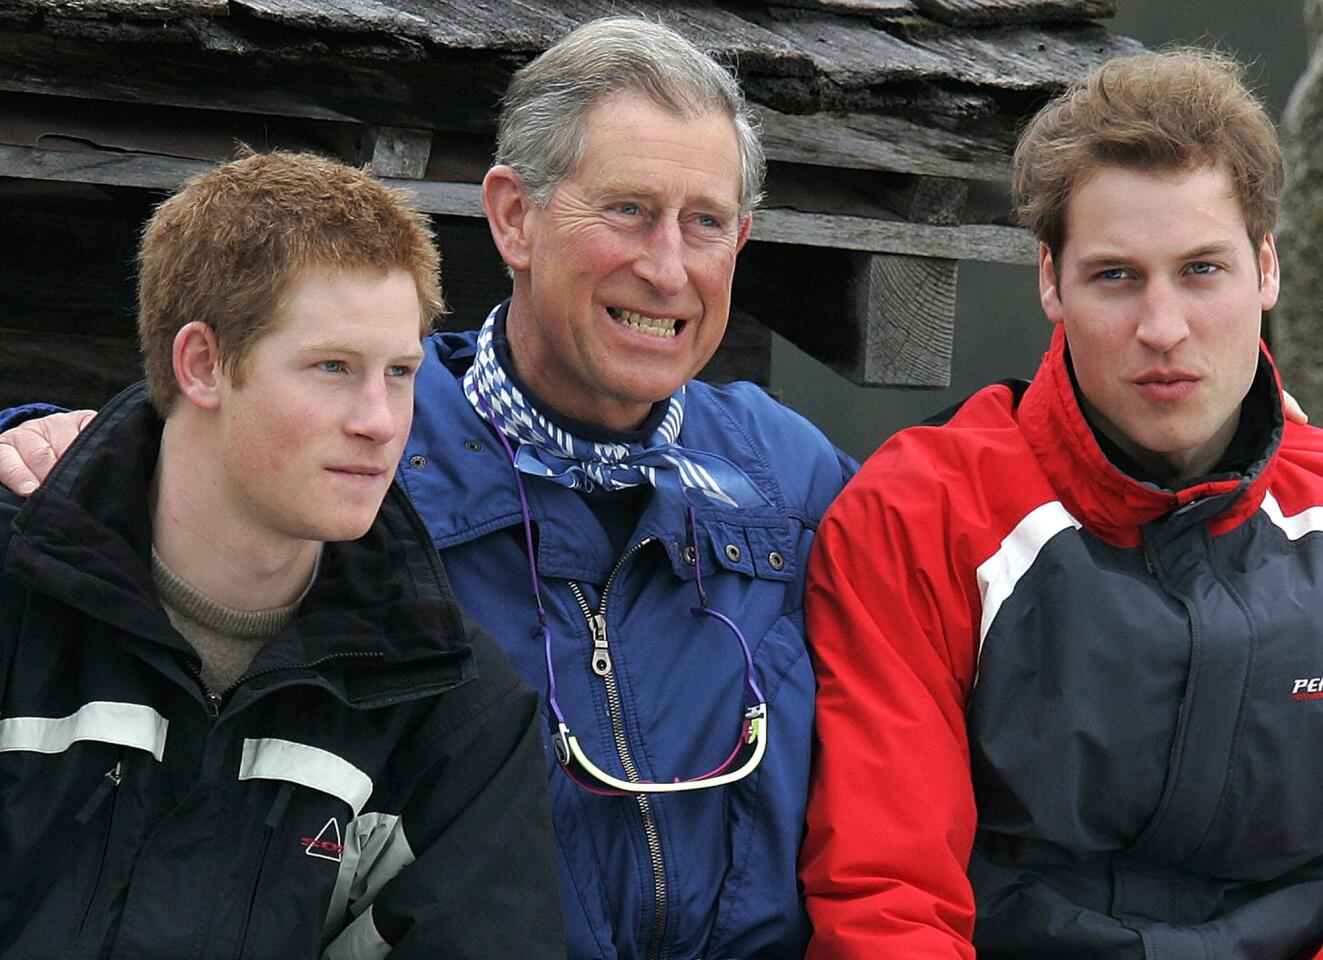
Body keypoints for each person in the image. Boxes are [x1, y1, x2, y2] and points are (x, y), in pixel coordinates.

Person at [0, 19, 855, 959]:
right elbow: (184, 446)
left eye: (706, 222)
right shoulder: (374, 452)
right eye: (626, 210)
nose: (667, 266)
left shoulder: (796, 475)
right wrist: (28, 437)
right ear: (513, 218)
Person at [800, 47, 1323, 959]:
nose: (1162, 329)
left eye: (1201, 270)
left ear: (1266, 270)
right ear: (1049, 280)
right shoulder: (921, 512)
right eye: (1114, 276)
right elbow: (886, 898)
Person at [0, 151, 563, 958]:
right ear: (202, 364)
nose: (379, 420)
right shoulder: (16, 601)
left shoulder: (451, 706)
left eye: (399, 373)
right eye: (333, 367)